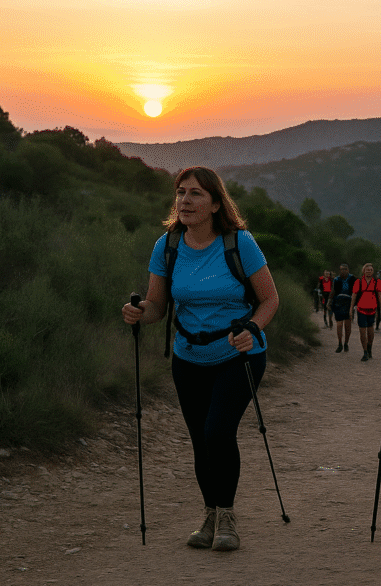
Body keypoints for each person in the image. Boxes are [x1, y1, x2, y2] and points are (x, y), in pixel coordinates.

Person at [121, 166, 279, 552]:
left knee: (217, 432)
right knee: (199, 439)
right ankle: (209, 515)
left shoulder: (239, 243)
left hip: (238, 355)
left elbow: (269, 299)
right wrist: (141, 313)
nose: (185, 201)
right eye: (180, 193)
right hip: (188, 357)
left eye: (195, 194)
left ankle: (226, 517)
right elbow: (158, 305)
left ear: (214, 204)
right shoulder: (168, 245)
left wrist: (252, 330)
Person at [350, 262, 381, 361]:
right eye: (367, 270)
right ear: (363, 271)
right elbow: (354, 295)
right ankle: (365, 352)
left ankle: (369, 348)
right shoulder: (358, 282)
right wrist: (351, 309)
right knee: (362, 332)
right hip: (361, 309)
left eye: (371, 270)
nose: (369, 271)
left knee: (370, 331)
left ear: (373, 271)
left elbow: (380, 295)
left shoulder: (377, 282)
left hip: (372, 310)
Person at [328, 263, 355, 353]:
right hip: (339, 302)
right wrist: (329, 301)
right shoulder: (336, 279)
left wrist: (355, 303)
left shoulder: (352, 278)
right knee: (339, 324)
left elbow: (356, 291)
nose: (343, 271)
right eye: (341, 269)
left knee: (348, 325)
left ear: (348, 270)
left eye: (344, 269)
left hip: (348, 301)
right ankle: (339, 343)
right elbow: (333, 290)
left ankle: (346, 343)